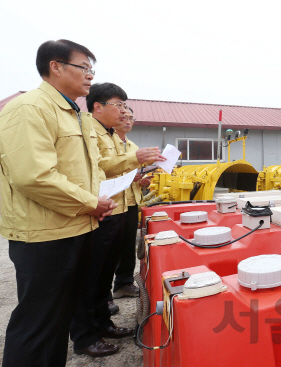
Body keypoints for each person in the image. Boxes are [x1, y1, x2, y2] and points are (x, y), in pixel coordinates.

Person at [0, 39, 117, 367]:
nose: (90, 76)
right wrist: (91, 202)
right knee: (38, 326)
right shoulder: (29, 109)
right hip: (45, 236)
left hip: (74, 228)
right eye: (84, 68)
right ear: (55, 67)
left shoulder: (74, 113)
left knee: (58, 324)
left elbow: (84, 170)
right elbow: (34, 176)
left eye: (92, 69)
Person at [69, 82, 166, 357]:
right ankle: (86, 336)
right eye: (120, 106)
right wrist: (132, 160)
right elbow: (97, 168)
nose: (125, 112)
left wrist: (135, 171)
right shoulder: (87, 131)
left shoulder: (110, 134)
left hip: (116, 208)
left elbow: (112, 170)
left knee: (102, 274)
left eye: (126, 107)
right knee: (90, 276)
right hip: (98, 210)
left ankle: (102, 324)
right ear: (97, 106)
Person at [110, 108, 149, 308]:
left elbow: (132, 175)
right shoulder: (107, 141)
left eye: (131, 118)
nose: (128, 121)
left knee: (127, 246)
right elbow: (102, 170)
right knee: (109, 249)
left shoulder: (133, 146)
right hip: (112, 202)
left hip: (131, 201)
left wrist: (141, 182)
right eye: (124, 117)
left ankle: (124, 283)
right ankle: (103, 296)